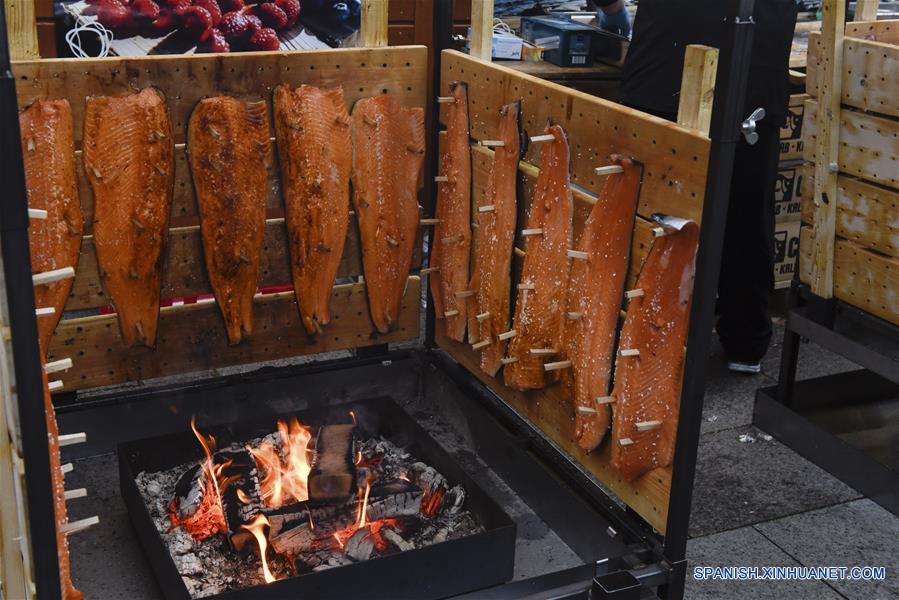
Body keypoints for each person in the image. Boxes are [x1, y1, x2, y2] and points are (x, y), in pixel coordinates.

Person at [592, 0, 798, 374]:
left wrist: (610, 10)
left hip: (670, 73)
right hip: (751, 74)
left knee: (656, 221)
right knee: (745, 213)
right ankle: (744, 341)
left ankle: (645, 344)